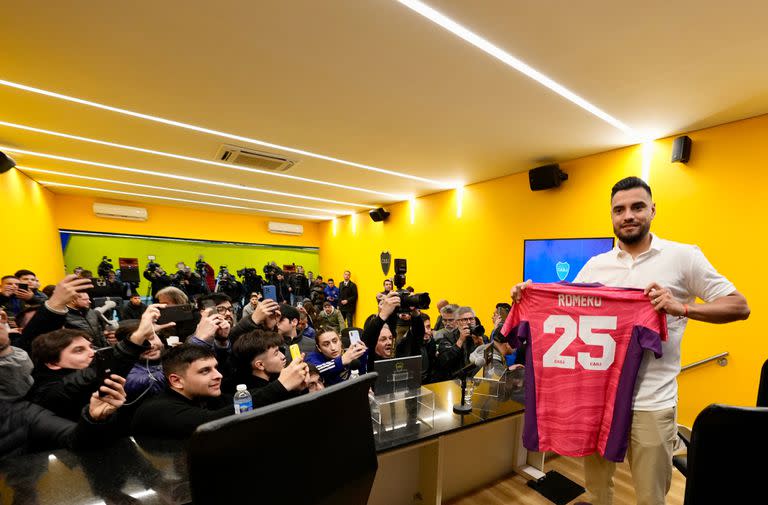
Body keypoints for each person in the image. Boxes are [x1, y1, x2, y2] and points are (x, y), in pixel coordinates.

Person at [510, 176, 750, 505]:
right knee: (597, 491)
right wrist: (528, 296)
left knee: (651, 496)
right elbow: (568, 306)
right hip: (598, 400)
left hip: (652, 401)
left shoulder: (683, 257)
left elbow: (740, 306)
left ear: (652, 209)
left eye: (637, 207)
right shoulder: (596, 265)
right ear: (611, 216)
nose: (628, 215)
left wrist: (681, 307)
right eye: (619, 209)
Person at [131, 343, 308, 438]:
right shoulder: (157, 409)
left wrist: (292, 388)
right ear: (177, 381)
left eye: (215, 368)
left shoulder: (205, 398)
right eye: (205, 371)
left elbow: (241, 401)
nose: (218, 375)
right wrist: (280, 386)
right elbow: (211, 422)